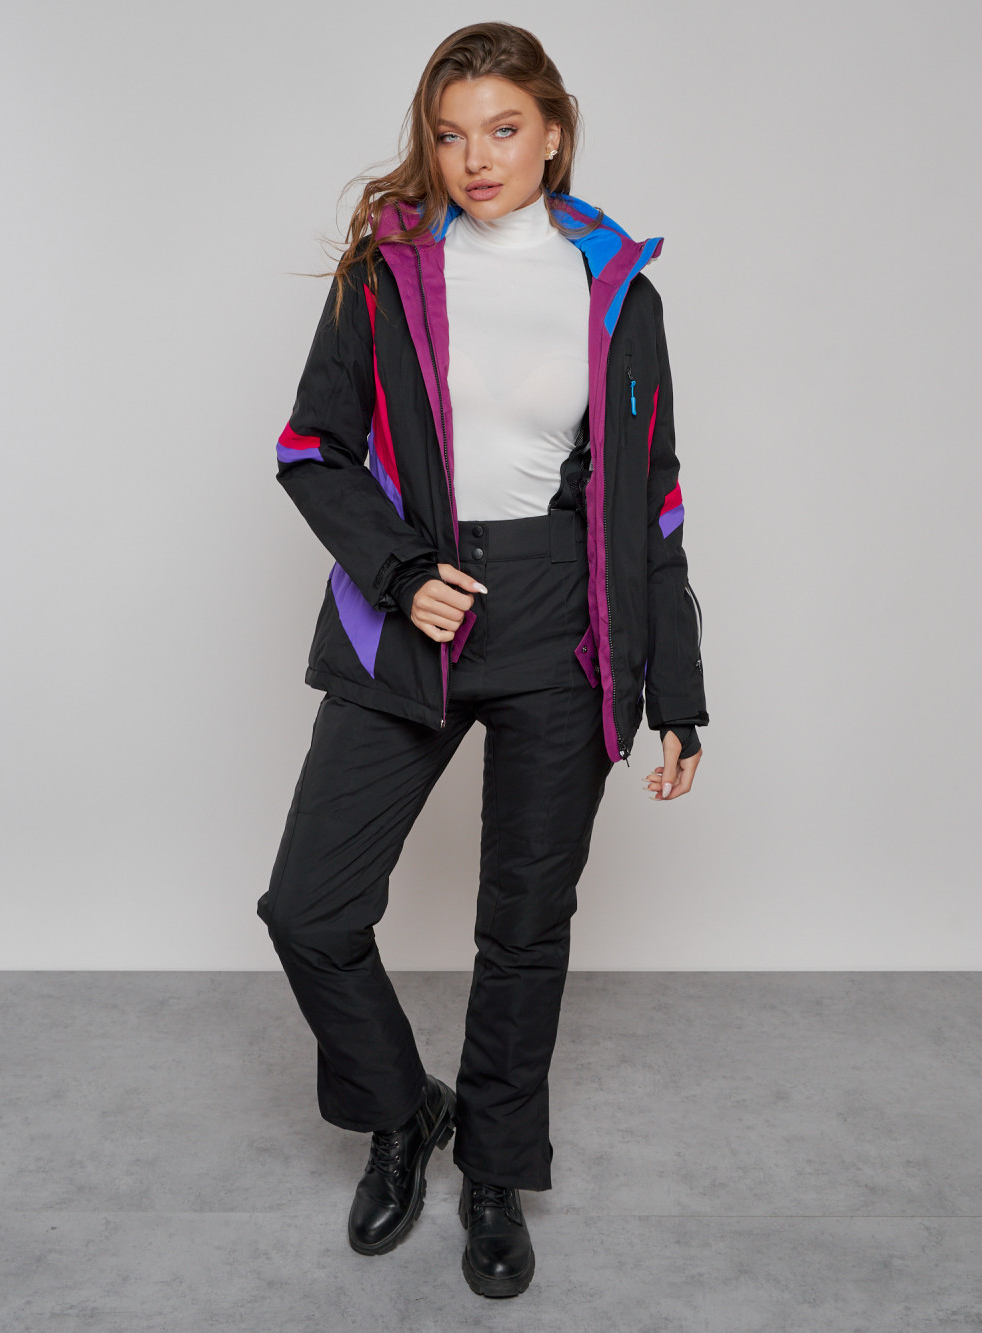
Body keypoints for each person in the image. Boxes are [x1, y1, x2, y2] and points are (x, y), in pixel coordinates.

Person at [257, 20, 709, 1300]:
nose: (475, 158)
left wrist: (677, 690)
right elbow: (309, 450)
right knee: (309, 908)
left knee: (522, 927)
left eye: (503, 129)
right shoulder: (385, 272)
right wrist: (402, 572)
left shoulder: (620, 291)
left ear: (551, 132)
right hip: (416, 610)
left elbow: (653, 501)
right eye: (451, 135)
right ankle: (404, 1109)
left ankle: (497, 1172)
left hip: (566, 620)